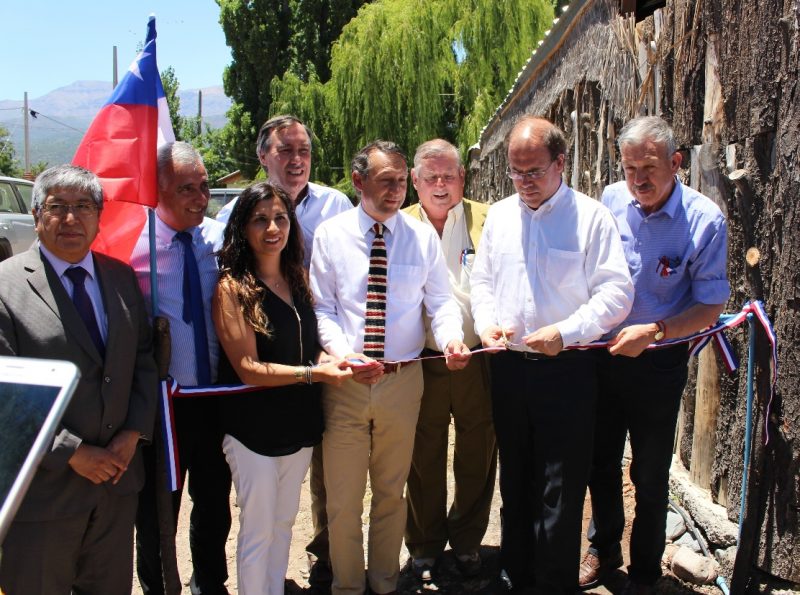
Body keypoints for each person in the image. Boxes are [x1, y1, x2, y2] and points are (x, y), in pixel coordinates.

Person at [470, 116, 634, 594]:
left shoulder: (590, 218)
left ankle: (553, 583)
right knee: (515, 475)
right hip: (508, 368)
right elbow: (481, 282)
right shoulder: (499, 217)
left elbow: (615, 294)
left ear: (561, 163)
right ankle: (516, 574)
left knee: (560, 486)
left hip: (568, 371)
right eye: (515, 173)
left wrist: (566, 331)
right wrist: (486, 325)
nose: (523, 183)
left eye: (534, 172)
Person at [310, 140, 471, 595]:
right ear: (359, 181)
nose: (397, 190)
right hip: (345, 384)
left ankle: (382, 584)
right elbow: (322, 309)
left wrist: (451, 338)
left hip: (403, 382)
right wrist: (344, 355)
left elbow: (438, 301)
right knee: (342, 500)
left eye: (401, 181)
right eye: (386, 181)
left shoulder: (420, 238)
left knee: (391, 493)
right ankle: (346, 586)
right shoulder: (332, 235)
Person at [579, 116, 730, 595]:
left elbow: (711, 304)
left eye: (648, 168)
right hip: (603, 357)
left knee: (648, 470)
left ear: (676, 163)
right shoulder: (610, 200)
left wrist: (658, 330)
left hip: (659, 365)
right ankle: (603, 550)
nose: (638, 181)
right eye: (629, 169)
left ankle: (644, 570)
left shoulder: (705, 221)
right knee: (599, 461)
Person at [0, 164, 157, 594]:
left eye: (83, 207)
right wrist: (70, 452)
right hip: (44, 492)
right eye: (57, 207)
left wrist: (133, 433)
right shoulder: (5, 287)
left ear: (99, 216)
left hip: (115, 486)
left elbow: (143, 361)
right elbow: (4, 396)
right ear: (36, 216)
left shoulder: (121, 278)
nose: (71, 219)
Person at [218, 115, 352, 587]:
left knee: (281, 526)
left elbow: (310, 343)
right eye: (260, 220)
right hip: (253, 426)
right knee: (257, 530)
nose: (272, 228)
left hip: (295, 421)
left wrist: (330, 361)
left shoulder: (297, 282)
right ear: (242, 225)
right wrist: (316, 375)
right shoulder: (233, 288)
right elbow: (249, 369)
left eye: (280, 219)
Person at [131, 142, 232, 595]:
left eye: (204, 186)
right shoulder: (132, 245)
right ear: (157, 191)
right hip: (160, 408)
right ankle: (158, 587)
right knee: (157, 510)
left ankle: (209, 583)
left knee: (213, 504)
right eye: (186, 189)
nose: (199, 197)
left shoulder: (219, 240)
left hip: (212, 401)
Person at [403, 139, 496, 580]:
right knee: (423, 452)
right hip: (420, 358)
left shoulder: (489, 219)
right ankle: (423, 544)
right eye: (431, 177)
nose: (441, 185)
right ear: (414, 181)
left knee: (478, 449)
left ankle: (467, 540)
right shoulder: (398, 223)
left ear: (463, 178)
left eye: (450, 176)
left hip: (478, 356)